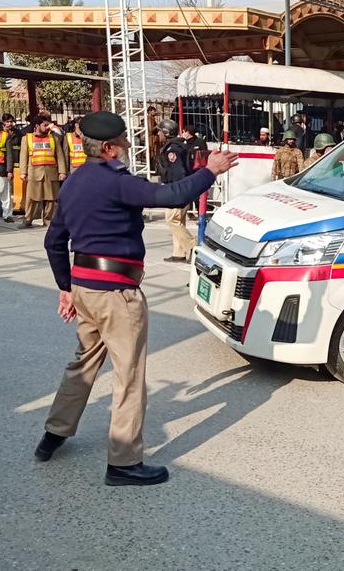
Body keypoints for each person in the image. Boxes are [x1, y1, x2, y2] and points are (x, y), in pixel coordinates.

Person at [36, 111, 238, 486]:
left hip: (85, 288)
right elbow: (169, 195)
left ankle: (53, 435)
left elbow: (53, 242)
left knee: (84, 362)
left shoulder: (74, 181)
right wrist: (210, 171)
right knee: (129, 375)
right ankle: (124, 462)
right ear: (110, 148)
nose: (128, 149)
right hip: (116, 292)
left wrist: (67, 287)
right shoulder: (115, 183)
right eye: (125, 144)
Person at [156, 119, 194, 263]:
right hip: (181, 188)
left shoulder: (173, 149)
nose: (158, 134)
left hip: (177, 189)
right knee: (179, 220)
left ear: (166, 133)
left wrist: (176, 191)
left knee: (171, 219)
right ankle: (179, 252)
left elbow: (178, 172)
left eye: (160, 131)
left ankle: (192, 245)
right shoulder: (177, 145)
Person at [19, 114, 67, 228]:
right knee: (32, 198)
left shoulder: (53, 138)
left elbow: (60, 156)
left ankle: (48, 219)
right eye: (44, 125)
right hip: (34, 173)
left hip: (51, 172)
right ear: (37, 125)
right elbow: (23, 157)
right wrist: (23, 172)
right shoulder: (27, 138)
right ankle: (28, 219)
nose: (47, 127)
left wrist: (62, 172)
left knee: (51, 198)